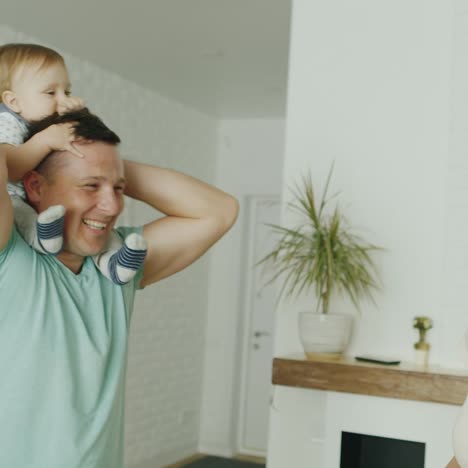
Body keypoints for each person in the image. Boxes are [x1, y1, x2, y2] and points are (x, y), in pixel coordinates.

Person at [0, 108, 239, 468]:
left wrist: (105, 162)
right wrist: (42, 150)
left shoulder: (118, 267)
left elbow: (219, 210)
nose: (112, 206)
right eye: (90, 186)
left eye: (119, 189)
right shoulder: (9, 253)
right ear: (34, 186)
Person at [0, 42, 147, 285]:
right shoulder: (7, 123)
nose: (62, 100)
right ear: (13, 101)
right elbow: (11, 168)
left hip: (31, 201)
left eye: (66, 92)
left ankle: (114, 262)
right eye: (51, 93)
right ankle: (41, 236)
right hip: (12, 201)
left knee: (99, 225)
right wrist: (45, 141)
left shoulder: (41, 121)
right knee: (24, 216)